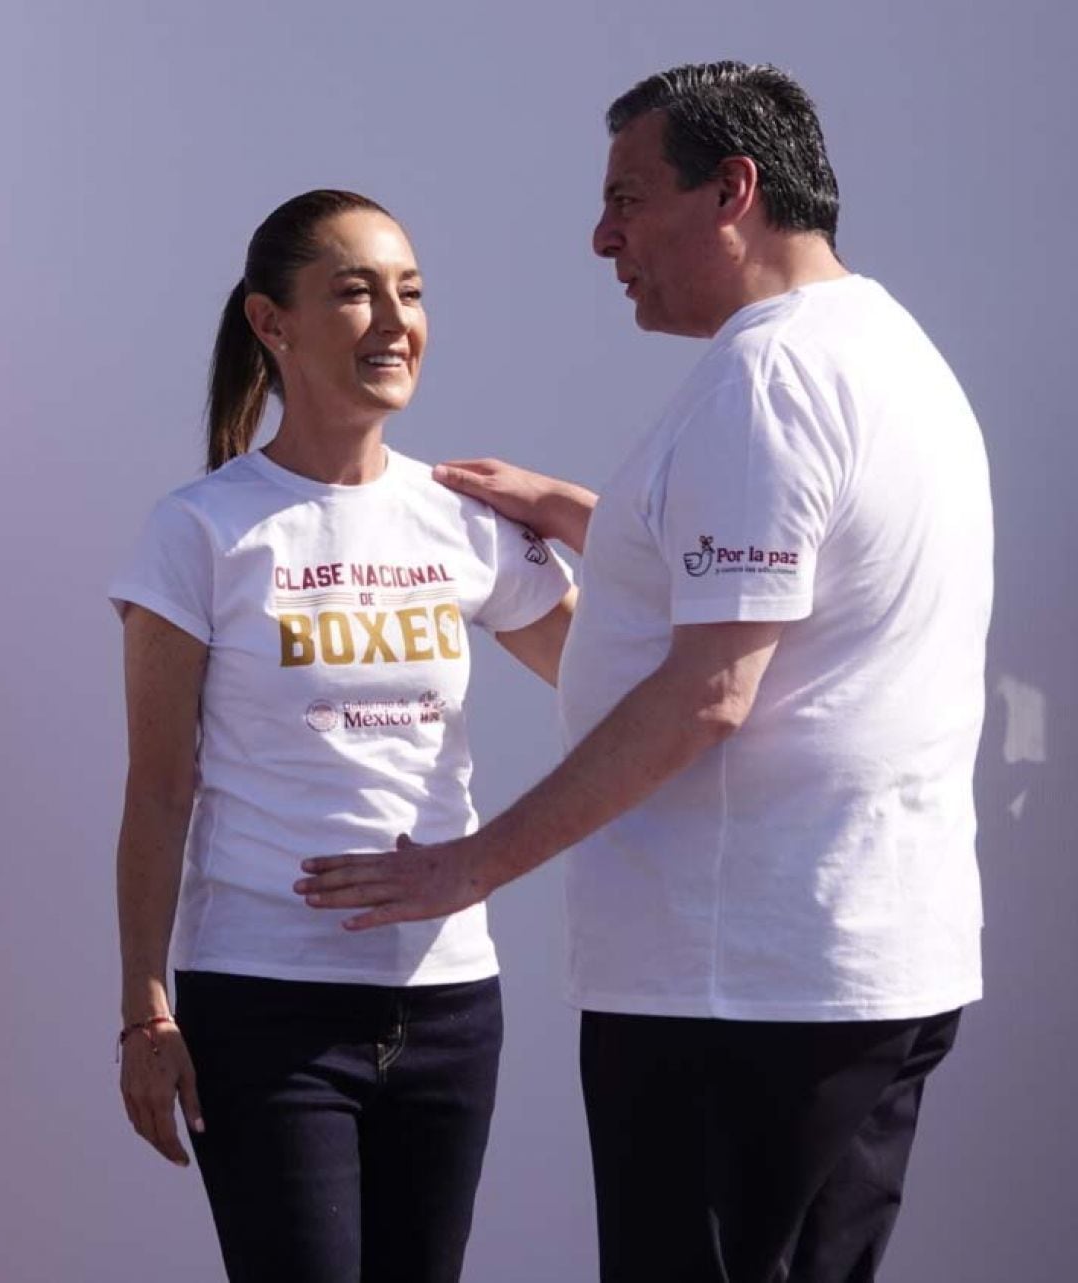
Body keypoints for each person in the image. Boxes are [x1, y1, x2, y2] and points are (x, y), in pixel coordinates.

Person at [297, 62, 991, 1282]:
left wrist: (468, 865)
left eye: (627, 198)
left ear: (733, 191)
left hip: (743, 990)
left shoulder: (768, 379)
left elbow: (711, 690)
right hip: (861, 967)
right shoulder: (887, 348)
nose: (602, 237)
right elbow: (794, 575)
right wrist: (587, 515)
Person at [110, 189, 576, 1282]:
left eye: (411, 292)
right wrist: (143, 1008)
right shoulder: (201, 528)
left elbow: (627, 688)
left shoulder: (466, 515)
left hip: (451, 1000)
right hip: (265, 999)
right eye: (357, 292)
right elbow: (159, 789)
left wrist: (573, 509)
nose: (395, 321)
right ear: (271, 322)